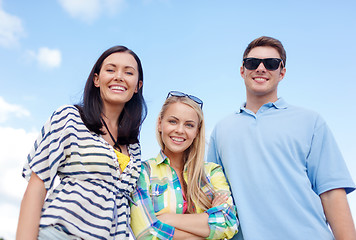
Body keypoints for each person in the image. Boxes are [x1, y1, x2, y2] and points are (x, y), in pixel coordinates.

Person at [207, 36, 356, 240]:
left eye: (271, 63)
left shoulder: (310, 121)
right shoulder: (221, 129)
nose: (261, 68)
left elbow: (332, 194)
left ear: (282, 73)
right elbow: (214, 197)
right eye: (252, 63)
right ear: (242, 70)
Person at [16, 45, 147, 240]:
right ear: (96, 79)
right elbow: (37, 187)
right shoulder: (69, 118)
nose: (119, 76)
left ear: (137, 86)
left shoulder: (134, 146)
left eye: (128, 72)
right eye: (110, 69)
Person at [130, 91, 238, 239]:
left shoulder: (212, 172)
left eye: (189, 125)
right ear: (160, 124)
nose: (180, 130)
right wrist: (207, 221)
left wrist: (166, 219)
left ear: (196, 132)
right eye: (173, 121)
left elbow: (229, 223)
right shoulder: (143, 172)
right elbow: (146, 233)